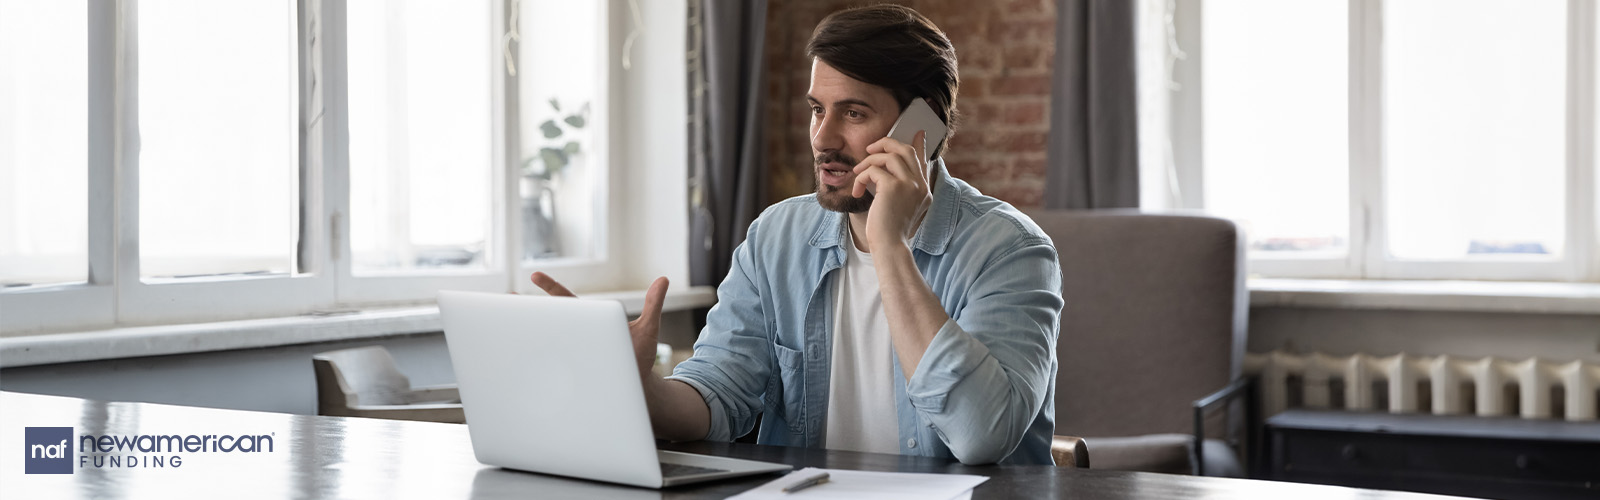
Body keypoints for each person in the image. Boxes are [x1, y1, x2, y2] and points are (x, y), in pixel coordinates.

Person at [531, 4, 1062, 465]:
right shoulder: (777, 237)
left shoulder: (1011, 251)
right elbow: (719, 393)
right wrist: (640, 387)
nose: (823, 138)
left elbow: (981, 437)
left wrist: (891, 247)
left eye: (853, 112)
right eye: (816, 110)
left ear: (922, 129)